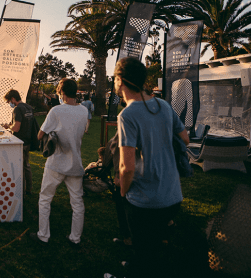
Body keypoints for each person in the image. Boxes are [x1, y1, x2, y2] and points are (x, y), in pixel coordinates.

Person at [104, 57, 189, 278]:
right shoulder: (164, 105)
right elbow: (185, 138)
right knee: (155, 250)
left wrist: (122, 192)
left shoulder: (127, 115)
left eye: (115, 78)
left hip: (145, 201)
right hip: (172, 195)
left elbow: (127, 167)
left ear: (120, 80)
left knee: (145, 255)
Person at [30, 78, 88, 246]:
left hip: (56, 163)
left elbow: (40, 135)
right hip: (75, 163)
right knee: (77, 203)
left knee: (45, 198)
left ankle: (43, 235)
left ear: (62, 93)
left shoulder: (56, 111)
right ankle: (75, 238)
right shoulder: (84, 111)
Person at [2, 89, 35, 195]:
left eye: (8, 102)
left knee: (19, 167)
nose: (9, 104)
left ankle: (20, 191)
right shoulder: (28, 107)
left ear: (12, 99)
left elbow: (16, 128)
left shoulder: (17, 109)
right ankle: (29, 189)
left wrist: (8, 127)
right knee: (26, 166)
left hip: (19, 141)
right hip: (28, 141)